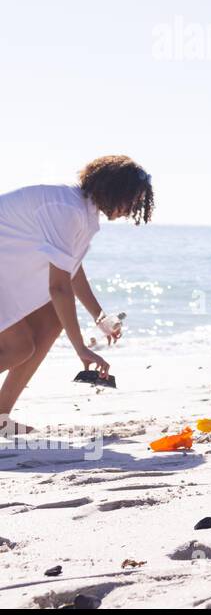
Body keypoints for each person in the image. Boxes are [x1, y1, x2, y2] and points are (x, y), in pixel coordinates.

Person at [0, 156, 154, 434]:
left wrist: (100, 317)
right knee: (18, 347)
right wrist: (80, 347)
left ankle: (0, 417)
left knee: (52, 319)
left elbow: (73, 271)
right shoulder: (67, 208)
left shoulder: (82, 212)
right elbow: (58, 287)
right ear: (113, 190)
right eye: (131, 200)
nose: (132, 209)